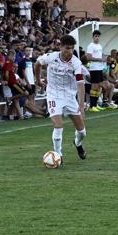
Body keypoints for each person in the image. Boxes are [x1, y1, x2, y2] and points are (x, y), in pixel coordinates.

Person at [35, 35, 87, 163]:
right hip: (54, 95)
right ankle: (58, 155)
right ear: (60, 47)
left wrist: (81, 106)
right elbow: (37, 64)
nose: (69, 51)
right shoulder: (51, 57)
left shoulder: (76, 63)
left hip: (69, 97)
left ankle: (77, 144)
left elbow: (80, 84)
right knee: (58, 125)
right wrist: (37, 80)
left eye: (71, 48)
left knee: (82, 132)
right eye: (67, 48)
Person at [86, 30, 106, 112]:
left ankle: (95, 104)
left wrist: (104, 59)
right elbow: (88, 57)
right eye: (95, 36)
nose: (97, 38)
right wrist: (99, 59)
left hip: (99, 68)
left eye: (98, 36)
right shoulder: (90, 46)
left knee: (98, 87)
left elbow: (101, 56)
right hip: (94, 68)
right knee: (94, 87)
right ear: (93, 37)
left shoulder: (100, 46)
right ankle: (92, 106)